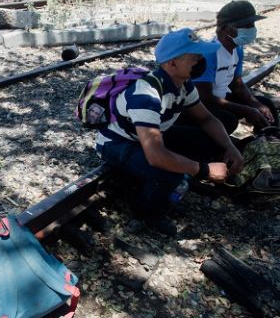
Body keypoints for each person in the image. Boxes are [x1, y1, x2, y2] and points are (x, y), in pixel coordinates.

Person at [96, 28, 244, 235]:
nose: (201, 60)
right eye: (195, 57)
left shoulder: (183, 86)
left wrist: (230, 147)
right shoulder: (146, 95)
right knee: (169, 174)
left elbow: (207, 118)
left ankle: (165, 181)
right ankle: (147, 214)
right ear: (172, 63)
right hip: (118, 143)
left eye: (201, 55)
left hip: (150, 138)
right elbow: (156, 156)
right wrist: (203, 170)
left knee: (206, 142)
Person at [190, 0, 279, 135]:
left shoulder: (237, 50)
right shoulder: (209, 54)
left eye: (252, 24)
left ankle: (269, 142)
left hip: (220, 99)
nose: (252, 29)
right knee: (228, 120)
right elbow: (205, 97)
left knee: (265, 105)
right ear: (226, 29)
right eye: (246, 25)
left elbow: (236, 84)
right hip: (202, 106)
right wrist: (246, 110)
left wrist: (254, 104)